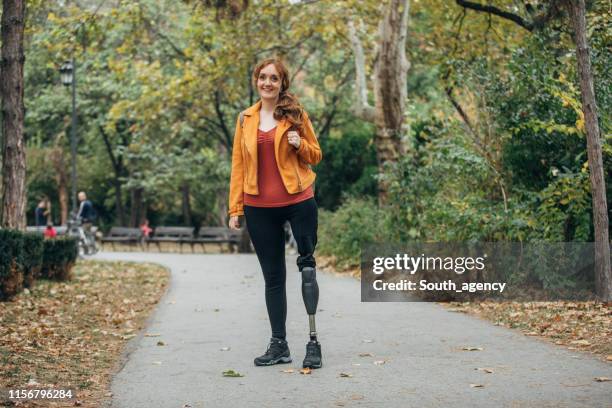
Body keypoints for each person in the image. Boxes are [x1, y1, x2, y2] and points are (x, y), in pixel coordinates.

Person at [227, 57, 323, 369]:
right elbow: (238, 166)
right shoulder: (245, 119)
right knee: (273, 277)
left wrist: (299, 144)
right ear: (256, 81)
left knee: (306, 267)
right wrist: (235, 208)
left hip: (298, 200)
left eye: (274, 78)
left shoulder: (295, 114)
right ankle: (278, 343)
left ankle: (313, 341)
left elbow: (316, 154)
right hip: (259, 207)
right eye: (263, 77)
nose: (268, 83)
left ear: (282, 84)